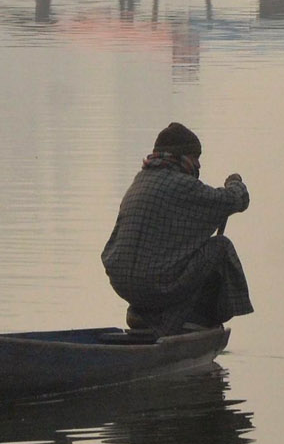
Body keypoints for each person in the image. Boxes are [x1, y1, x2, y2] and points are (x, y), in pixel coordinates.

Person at [102, 123, 251, 335]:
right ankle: (195, 321)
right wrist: (235, 182)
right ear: (181, 157)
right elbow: (235, 200)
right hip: (154, 284)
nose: (198, 164)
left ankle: (145, 315)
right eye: (195, 157)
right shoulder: (182, 185)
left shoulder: (140, 181)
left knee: (184, 254)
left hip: (124, 284)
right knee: (220, 247)